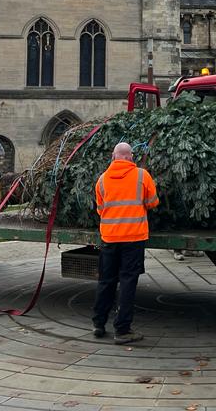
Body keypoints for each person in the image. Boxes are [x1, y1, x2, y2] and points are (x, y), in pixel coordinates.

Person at [92, 141, 159, 344]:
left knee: (106, 281)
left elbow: (100, 209)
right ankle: (122, 330)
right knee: (128, 282)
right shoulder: (142, 175)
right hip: (133, 238)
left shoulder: (102, 180)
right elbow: (152, 202)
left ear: (113, 157)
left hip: (109, 238)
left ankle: (98, 323)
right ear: (130, 157)